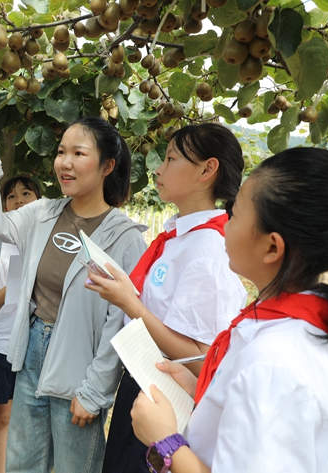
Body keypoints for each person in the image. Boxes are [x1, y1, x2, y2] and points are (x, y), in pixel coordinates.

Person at [130, 147, 328, 472]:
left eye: (234, 213)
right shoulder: (275, 334)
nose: (226, 221)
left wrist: (164, 440)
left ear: (272, 246)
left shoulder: (274, 365)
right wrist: (202, 391)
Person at [0, 118, 147, 473]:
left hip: (80, 364)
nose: (65, 162)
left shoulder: (124, 238)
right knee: (22, 464)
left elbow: (118, 324)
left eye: (79, 153)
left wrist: (94, 391)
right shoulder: (43, 213)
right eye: (62, 151)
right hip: (32, 350)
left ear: (107, 166)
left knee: (73, 467)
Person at [83, 123, 247, 472]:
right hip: (146, 384)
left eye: (171, 159)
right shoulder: (180, 237)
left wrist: (131, 304)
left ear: (207, 169)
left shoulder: (208, 250)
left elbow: (202, 360)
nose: (158, 168)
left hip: (170, 397)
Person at [0, 175, 42, 473]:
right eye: (12, 196)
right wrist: (16, 285)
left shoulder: (49, 244)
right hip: (2, 343)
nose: (18, 201)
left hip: (39, 342)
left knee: (33, 415)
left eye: (26, 193)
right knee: (3, 415)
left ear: (39, 201)